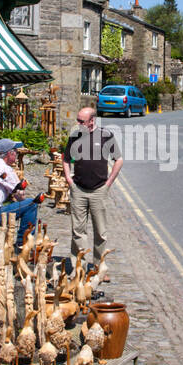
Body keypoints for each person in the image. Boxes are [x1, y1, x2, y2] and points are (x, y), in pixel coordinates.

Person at [62, 106, 123, 269]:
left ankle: (99, 267)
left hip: (98, 190)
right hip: (79, 189)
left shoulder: (106, 135)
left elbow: (118, 159)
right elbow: (66, 159)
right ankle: (78, 267)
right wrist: (69, 178)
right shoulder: (75, 136)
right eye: (78, 120)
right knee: (78, 231)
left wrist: (109, 183)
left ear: (92, 121)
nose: (78, 123)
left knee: (100, 232)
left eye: (81, 121)